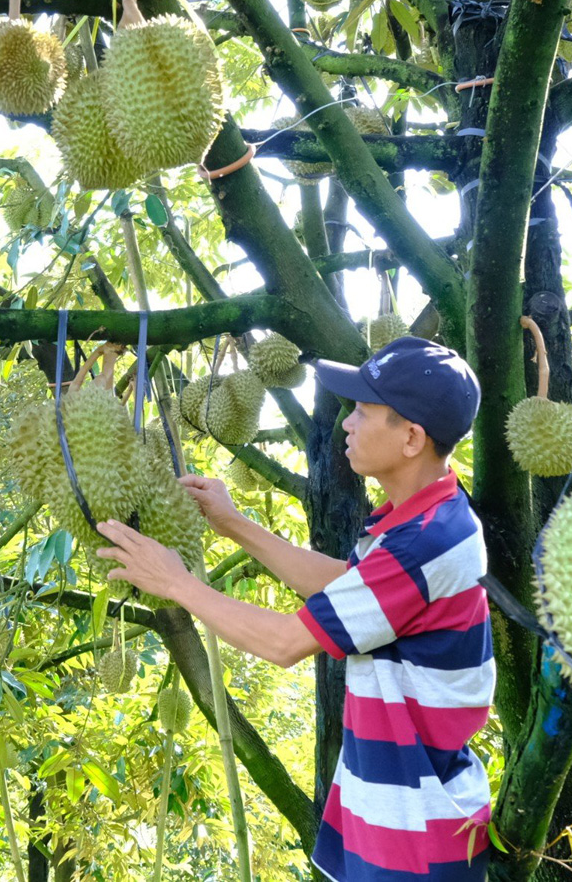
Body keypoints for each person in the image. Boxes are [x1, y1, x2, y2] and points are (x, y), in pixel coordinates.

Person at [96, 336, 494, 882]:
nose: (346, 423)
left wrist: (179, 583)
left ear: (412, 438)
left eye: (362, 411)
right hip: (383, 807)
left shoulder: (426, 542)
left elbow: (286, 643)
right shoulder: (415, 519)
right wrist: (232, 522)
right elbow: (348, 588)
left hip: (415, 835)